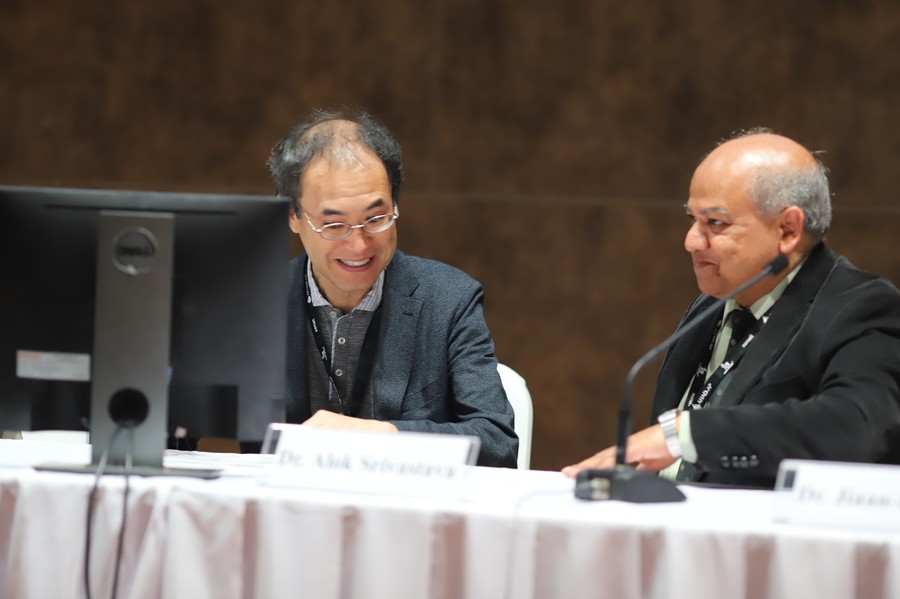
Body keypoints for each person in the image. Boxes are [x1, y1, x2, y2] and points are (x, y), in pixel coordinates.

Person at [563, 129, 900, 487]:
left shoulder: (863, 306)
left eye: (715, 223)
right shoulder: (710, 306)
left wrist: (688, 434)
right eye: (692, 220)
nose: (691, 242)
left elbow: (855, 424)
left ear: (787, 230)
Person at [267, 108, 518, 468]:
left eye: (375, 218)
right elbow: (186, 428)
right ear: (292, 214)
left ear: (395, 204)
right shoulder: (255, 301)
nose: (358, 245)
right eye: (334, 225)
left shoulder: (449, 300)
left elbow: (497, 443)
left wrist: (381, 435)